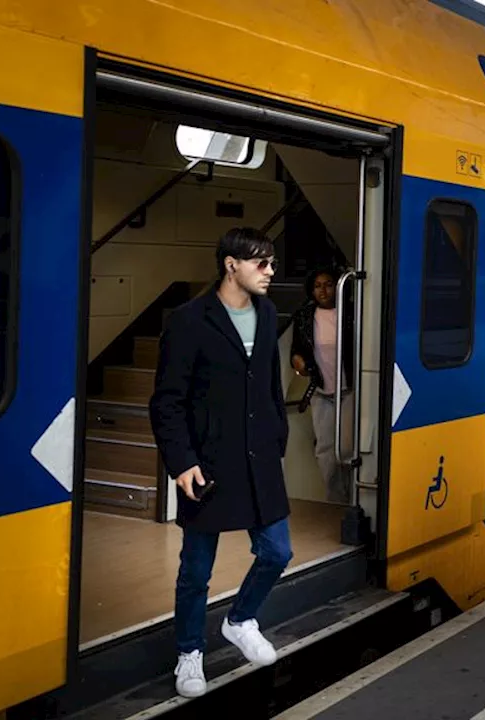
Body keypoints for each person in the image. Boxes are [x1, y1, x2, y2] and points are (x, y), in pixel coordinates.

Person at [149, 227, 294, 699]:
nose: (270, 271)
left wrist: (277, 434)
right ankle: (189, 652)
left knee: (277, 552)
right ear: (231, 264)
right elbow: (167, 401)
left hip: (261, 457)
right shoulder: (190, 320)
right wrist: (181, 462)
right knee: (196, 570)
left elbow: (270, 381)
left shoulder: (269, 313)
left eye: (271, 262)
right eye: (261, 263)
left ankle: (241, 619)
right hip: (207, 463)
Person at [290, 266, 352, 504]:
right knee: (325, 451)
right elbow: (297, 352)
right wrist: (298, 362)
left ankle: (353, 499)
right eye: (318, 286)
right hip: (320, 391)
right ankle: (335, 501)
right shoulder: (305, 316)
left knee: (346, 449)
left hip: (349, 390)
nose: (323, 290)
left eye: (328, 284)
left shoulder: (352, 312)